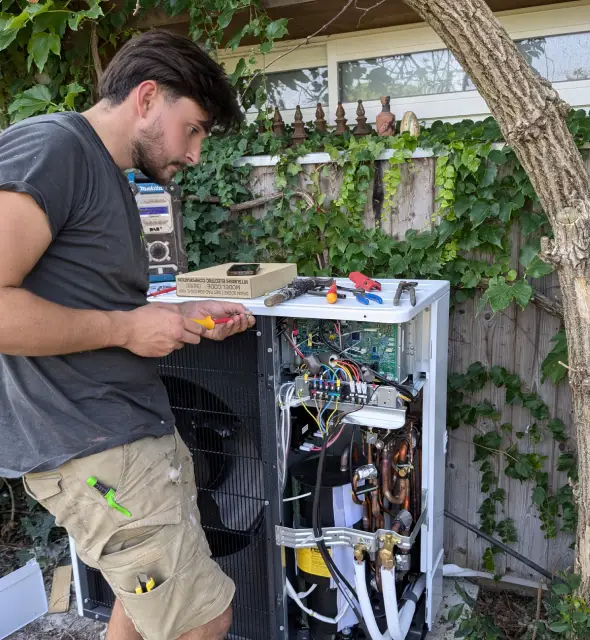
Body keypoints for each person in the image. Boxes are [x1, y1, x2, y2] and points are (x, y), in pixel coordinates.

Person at [0, 29, 254, 640]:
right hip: (97, 449)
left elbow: (90, 303)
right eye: (193, 128)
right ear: (147, 98)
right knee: (204, 620)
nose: (195, 153)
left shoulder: (107, 175)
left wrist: (177, 317)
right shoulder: (54, 148)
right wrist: (125, 326)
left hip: (122, 436)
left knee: (140, 607)